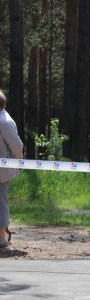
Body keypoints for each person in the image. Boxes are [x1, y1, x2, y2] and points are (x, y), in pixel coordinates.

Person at [0, 91, 24, 249]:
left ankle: (1, 237)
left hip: (1, 171)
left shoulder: (4, 122)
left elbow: (17, 147)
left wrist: (17, 161)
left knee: (0, 203)